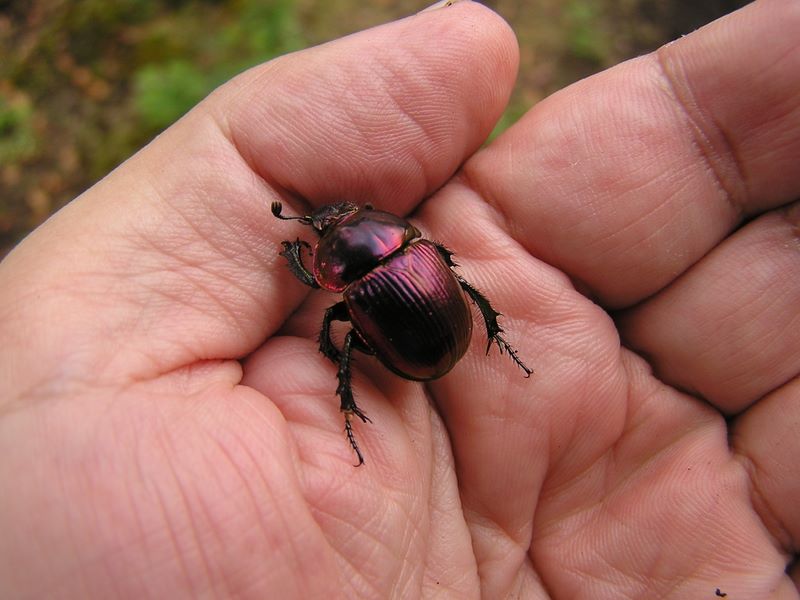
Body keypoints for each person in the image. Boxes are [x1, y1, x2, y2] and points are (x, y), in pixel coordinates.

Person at [0, 0, 798, 597]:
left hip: (417, 343)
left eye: (330, 229)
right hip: (425, 340)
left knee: (341, 335)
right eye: (324, 231)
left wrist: (297, 253)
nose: (328, 230)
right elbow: (403, 272)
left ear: (356, 245)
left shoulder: (350, 278)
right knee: (359, 328)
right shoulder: (407, 254)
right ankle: (410, 376)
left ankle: (382, 385)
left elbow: (327, 284)